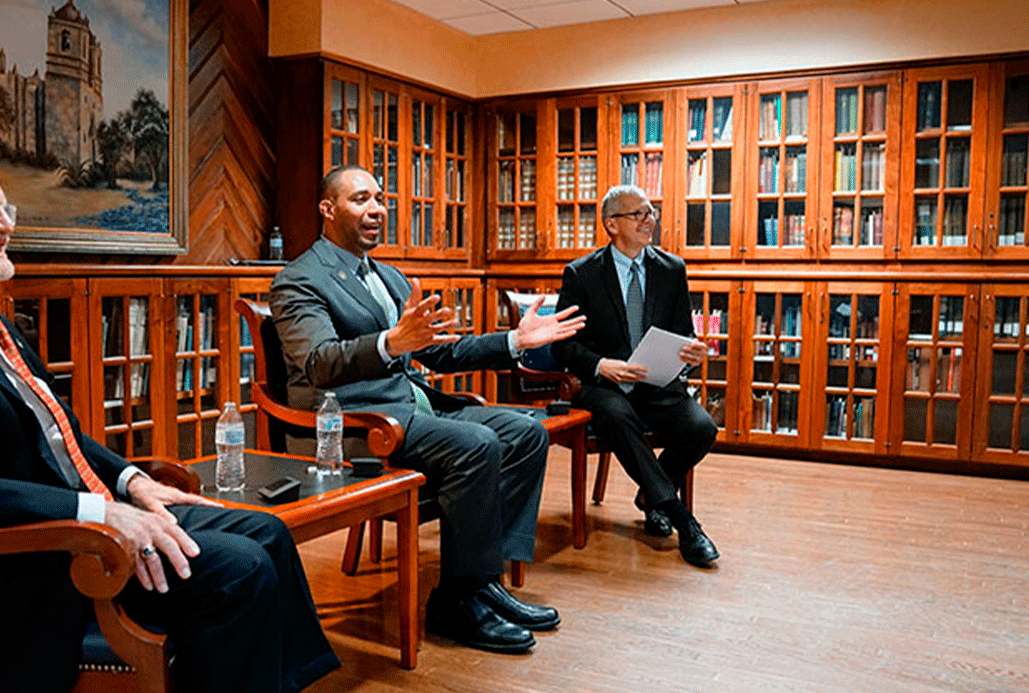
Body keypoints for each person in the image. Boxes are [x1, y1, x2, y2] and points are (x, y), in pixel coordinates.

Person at [0, 142, 396, 693]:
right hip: (4, 575)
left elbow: (62, 437)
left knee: (264, 532)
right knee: (236, 569)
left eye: (6, 208)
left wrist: (132, 484)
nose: (5, 226)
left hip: (68, 529)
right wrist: (102, 518)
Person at [269, 165, 586, 655]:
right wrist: (390, 342)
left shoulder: (389, 278)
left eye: (379, 198)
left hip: (414, 410)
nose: (376, 209)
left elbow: (438, 353)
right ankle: (456, 601)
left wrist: (514, 340)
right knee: (477, 443)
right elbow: (318, 363)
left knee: (527, 432)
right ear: (327, 210)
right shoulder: (298, 281)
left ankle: (481, 584)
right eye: (360, 200)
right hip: (356, 424)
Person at [552, 184, 720, 568]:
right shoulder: (582, 274)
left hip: (656, 382)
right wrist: (600, 366)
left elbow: (682, 332)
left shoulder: (671, 269)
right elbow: (563, 345)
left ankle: (651, 495)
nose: (650, 221)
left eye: (651, 212)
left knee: (702, 427)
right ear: (611, 224)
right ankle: (683, 521)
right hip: (605, 385)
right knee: (615, 415)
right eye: (639, 214)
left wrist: (690, 352)